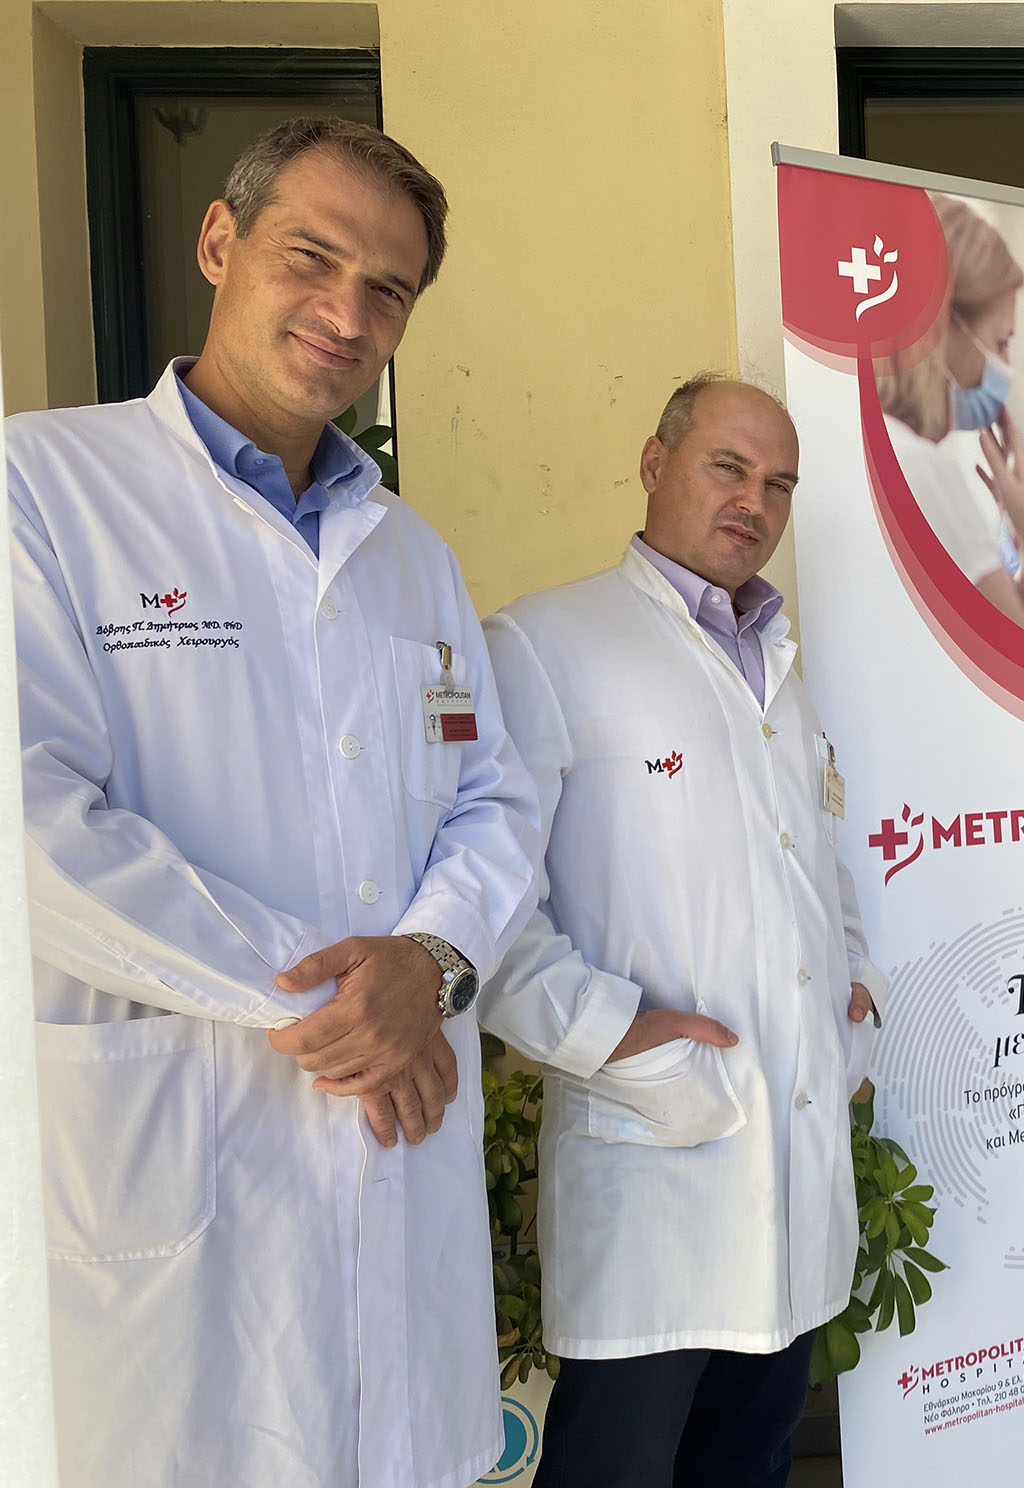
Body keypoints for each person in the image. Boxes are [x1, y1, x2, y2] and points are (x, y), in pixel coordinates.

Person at [8, 118, 538, 1486]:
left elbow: (492, 796)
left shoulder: (412, 554)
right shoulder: (41, 488)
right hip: (166, 1163)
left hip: (391, 1158)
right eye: (313, 258)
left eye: (389, 290)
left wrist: (429, 959)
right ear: (217, 241)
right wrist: (341, 1001)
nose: (348, 314)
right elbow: (29, 821)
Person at [479, 375, 885, 1488]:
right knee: (615, 1467)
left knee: (747, 1464)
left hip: (789, 1164)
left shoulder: (778, 662)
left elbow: (818, 855)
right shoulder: (543, 643)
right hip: (657, 1160)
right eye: (727, 467)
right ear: (655, 463)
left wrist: (851, 990)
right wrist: (613, 1035)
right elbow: (490, 906)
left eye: (779, 483)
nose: (755, 501)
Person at [879, 195, 1024, 645]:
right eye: (1000, 342)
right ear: (943, 326)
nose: (1005, 368)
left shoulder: (877, 445)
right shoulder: (918, 467)